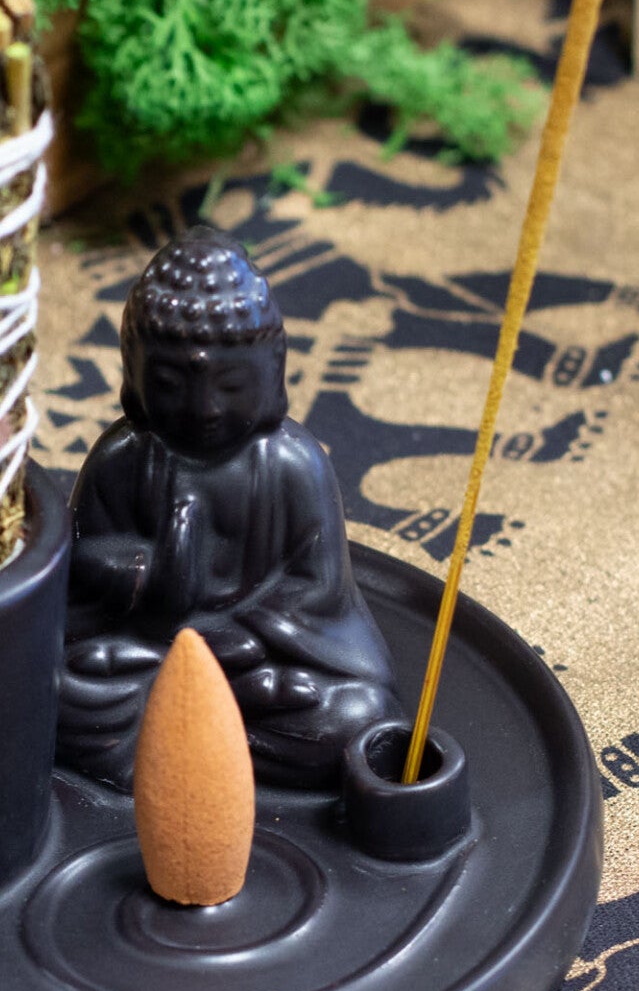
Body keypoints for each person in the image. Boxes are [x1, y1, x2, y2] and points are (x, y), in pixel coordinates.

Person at [58, 225, 399, 790]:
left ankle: (183, 755)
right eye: (170, 384)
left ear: (273, 370)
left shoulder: (293, 464)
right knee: (53, 692)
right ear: (132, 374)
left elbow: (318, 593)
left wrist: (233, 637)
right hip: (146, 656)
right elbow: (82, 569)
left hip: (257, 663)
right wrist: (146, 576)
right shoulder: (123, 457)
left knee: (358, 718)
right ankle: (197, 753)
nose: (205, 407)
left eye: (232, 385)